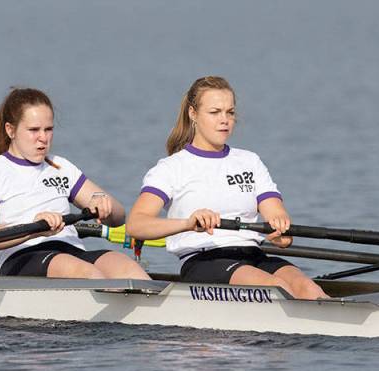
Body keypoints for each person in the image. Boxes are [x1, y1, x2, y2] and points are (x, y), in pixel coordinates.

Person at [126, 76, 328, 299]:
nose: (225, 120)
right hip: (204, 261)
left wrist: (281, 233)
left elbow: (276, 214)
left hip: (254, 255)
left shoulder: (250, 161)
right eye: (215, 112)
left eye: (230, 112)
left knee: (309, 289)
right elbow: (136, 224)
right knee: (277, 290)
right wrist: (187, 224)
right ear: (193, 114)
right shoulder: (171, 168)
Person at [0, 87, 150, 280]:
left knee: (129, 269)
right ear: (10, 130)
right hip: (23, 257)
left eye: (48, 129)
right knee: (88, 273)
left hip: (72, 251)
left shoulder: (60, 166)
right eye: (33, 130)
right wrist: (32, 228)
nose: (43, 138)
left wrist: (104, 205)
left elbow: (119, 217)